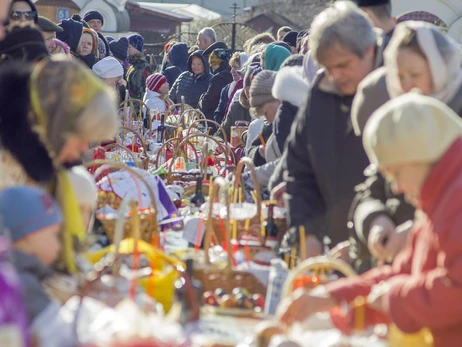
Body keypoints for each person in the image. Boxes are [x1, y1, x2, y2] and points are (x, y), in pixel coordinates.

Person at [278, 93, 462, 347]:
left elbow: (455, 290)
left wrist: (394, 299)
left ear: (419, 157)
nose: (396, 188)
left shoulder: (454, 198)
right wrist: (332, 297)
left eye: (395, 172)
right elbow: (404, 273)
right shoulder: (437, 196)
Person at [350, 21, 462, 270]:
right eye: (399, 76)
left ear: (439, 70)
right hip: (399, 270)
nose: (407, 86)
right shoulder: (401, 120)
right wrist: (375, 220)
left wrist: (418, 233)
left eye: (415, 75)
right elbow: (372, 187)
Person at [281, 1, 387, 257]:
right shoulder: (320, 95)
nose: (336, 76)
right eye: (328, 68)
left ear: (370, 51)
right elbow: (299, 170)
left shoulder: (393, 92)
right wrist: (308, 232)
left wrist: (363, 244)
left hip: (381, 249)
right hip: (330, 248)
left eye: (343, 65)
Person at [0, 58, 118, 273]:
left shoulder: (40, 160)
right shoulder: (9, 166)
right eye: (81, 136)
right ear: (58, 124)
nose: (84, 147)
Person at [0, 186, 63, 324]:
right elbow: (59, 335)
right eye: (55, 235)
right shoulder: (23, 285)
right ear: (28, 236)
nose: (59, 246)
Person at [198, 48, 233, 125]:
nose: (212, 68)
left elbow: (206, 103)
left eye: (212, 64)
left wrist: (201, 98)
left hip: (214, 122)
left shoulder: (217, 79)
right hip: (229, 120)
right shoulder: (233, 75)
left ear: (218, 63)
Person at [214, 52, 248, 125]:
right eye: (231, 67)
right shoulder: (226, 89)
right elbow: (218, 113)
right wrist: (223, 126)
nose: (232, 71)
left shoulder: (247, 90)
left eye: (235, 67)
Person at [126, 33, 152, 102]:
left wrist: (138, 110)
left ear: (136, 47)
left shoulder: (143, 66)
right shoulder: (134, 64)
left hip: (137, 107)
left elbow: (142, 91)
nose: (127, 49)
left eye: (129, 47)